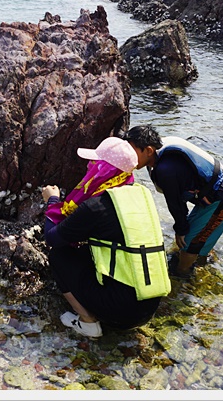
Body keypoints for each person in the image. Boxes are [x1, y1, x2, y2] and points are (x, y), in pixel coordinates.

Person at [41, 137, 171, 338]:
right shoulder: (140, 195)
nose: (89, 166)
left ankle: (88, 322)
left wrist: (53, 201)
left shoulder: (96, 206)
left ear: (103, 170)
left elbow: (52, 238)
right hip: (149, 305)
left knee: (58, 256)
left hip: (120, 314)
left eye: (95, 163)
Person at [121, 124, 223, 279]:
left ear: (149, 150)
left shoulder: (166, 169)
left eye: (132, 151)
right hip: (214, 197)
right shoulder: (162, 150)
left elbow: (175, 202)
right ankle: (204, 261)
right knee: (195, 237)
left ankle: (181, 278)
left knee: (188, 246)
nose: (127, 155)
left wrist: (181, 229)